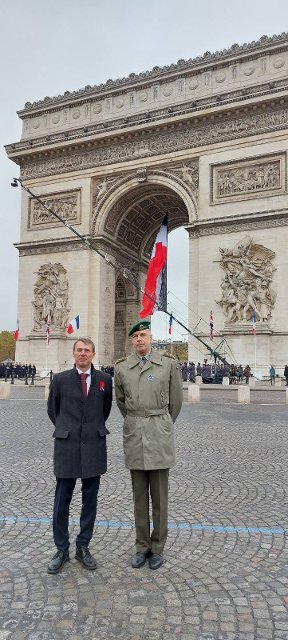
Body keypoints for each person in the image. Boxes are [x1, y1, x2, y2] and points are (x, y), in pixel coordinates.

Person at [114, 320, 183, 570]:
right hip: (135, 435)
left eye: (143, 335)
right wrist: (138, 421)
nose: (140, 340)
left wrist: (161, 422)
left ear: (151, 338)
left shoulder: (167, 364)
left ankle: (158, 548)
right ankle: (141, 546)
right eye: (136, 337)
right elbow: (121, 401)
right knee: (139, 497)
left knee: (160, 499)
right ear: (132, 341)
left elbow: (175, 402)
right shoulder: (122, 368)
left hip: (159, 433)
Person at [47, 337, 112, 574]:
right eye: (79, 350)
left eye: (87, 350)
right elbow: (53, 410)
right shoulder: (61, 380)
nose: (83, 354)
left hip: (93, 446)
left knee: (90, 502)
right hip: (67, 446)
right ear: (73, 353)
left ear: (93, 354)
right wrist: (66, 429)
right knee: (61, 501)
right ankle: (61, 548)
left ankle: (83, 546)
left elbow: (105, 410)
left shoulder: (105, 380)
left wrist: (89, 430)